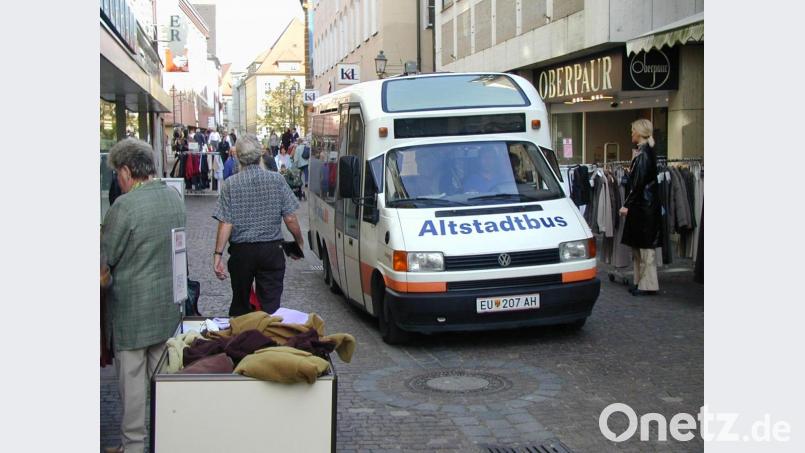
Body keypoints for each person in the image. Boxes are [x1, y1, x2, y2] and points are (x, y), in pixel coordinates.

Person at [101, 138, 186, 453]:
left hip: (131, 315)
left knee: (133, 394)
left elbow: (105, 259)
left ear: (126, 170)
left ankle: (133, 447)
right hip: (166, 310)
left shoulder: (124, 206)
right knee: (162, 388)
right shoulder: (173, 197)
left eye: (117, 174)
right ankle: (166, 443)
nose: (118, 181)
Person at [212, 134, 304, 316]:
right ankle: (268, 330)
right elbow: (290, 218)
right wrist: (299, 242)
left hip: (241, 252)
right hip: (271, 251)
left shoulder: (230, 184)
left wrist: (218, 254)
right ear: (260, 154)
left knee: (241, 305)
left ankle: (243, 331)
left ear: (238, 157)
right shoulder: (277, 180)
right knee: (271, 309)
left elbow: (226, 223)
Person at [619, 119, 662, 296]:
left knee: (644, 249)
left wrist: (626, 205)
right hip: (644, 207)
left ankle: (647, 284)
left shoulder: (643, 155)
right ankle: (641, 282)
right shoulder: (645, 152)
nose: (631, 133)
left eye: (633, 130)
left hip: (643, 208)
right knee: (640, 248)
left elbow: (638, 184)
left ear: (639, 132)